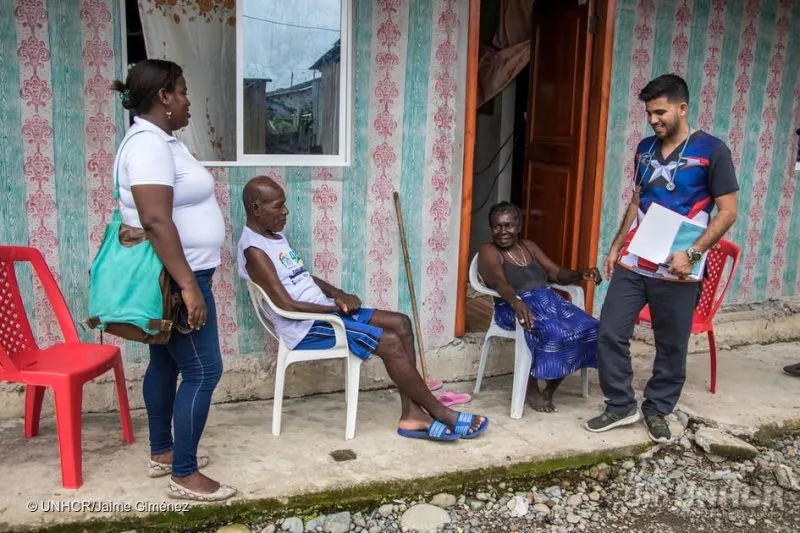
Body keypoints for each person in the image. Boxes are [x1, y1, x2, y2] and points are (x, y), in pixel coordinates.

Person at [236, 176, 489, 442]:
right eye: (278, 206)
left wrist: (337, 294)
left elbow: (302, 276)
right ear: (256, 209)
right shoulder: (255, 250)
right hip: (305, 326)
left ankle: (412, 413)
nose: (285, 211)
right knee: (389, 342)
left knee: (401, 322)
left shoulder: (273, 237)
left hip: (322, 312)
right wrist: (334, 308)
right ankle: (440, 411)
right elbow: (284, 304)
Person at [585, 74, 738, 443]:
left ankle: (657, 408)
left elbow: (728, 211)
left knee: (671, 345)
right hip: (636, 260)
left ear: (682, 108)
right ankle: (621, 404)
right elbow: (637, 200)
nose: (653, 120)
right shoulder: (644, 149)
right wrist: (616, 245)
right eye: (649, 113)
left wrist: (693, 252)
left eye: (660, 112)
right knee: (610, 331)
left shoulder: (712, 151)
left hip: (679, 266)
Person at [111, 59, 236, 500]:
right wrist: (187, 285)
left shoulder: (162, 141)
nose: (187, 101)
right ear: (163, 96)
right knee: (204, 370)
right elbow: (155, 219)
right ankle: (183, 474)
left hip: (180, 272)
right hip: (175, 278)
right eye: (181, 92)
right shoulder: (148, 144)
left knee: (165, 362)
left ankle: (162, 451)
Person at [477, 202, 602, 413]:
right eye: (497, 226)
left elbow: (555, 273)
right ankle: (531, 385)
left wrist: (580, 273)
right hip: (513, 307)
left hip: (550, 302)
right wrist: (517, 302)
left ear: (518, 226)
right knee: (555, 332)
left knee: (592, 327)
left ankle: (551, 387)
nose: (503, 231)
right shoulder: (488, 251)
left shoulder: (529, 247)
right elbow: (500, 283)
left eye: (508, 226)